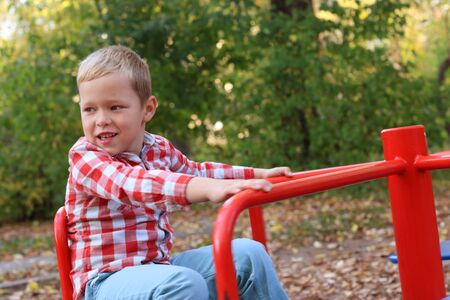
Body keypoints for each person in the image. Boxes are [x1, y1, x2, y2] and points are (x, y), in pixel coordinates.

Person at [66, 45, 291, 300]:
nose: (101, 119)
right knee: (183, 284)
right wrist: (204, 188)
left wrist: (257, 175)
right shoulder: (85, 157)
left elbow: (196, 170)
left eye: (115, 107)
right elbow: (132, 184)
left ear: (147, 109)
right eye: (90, 109)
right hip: (104, 283)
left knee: (249, 256)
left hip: (158, 268)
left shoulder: (157, 148)